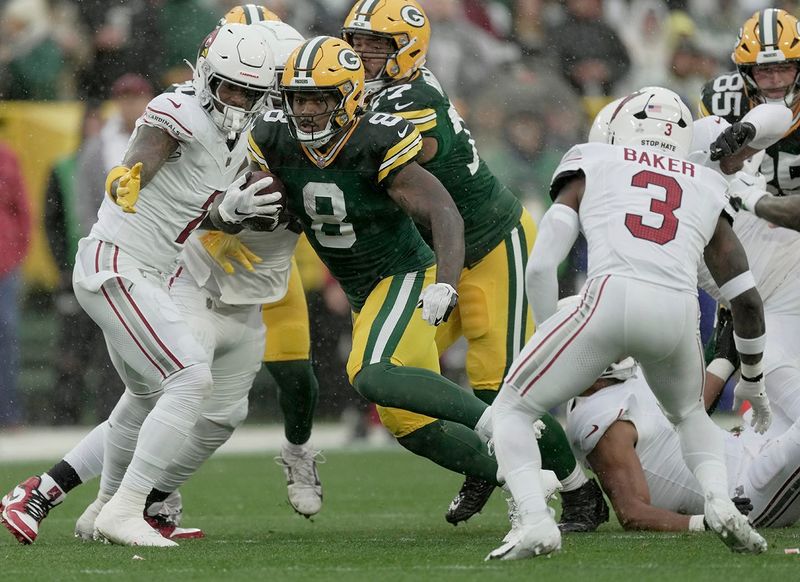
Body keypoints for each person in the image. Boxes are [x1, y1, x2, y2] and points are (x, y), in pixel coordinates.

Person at [0, 23, 278, 547]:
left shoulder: (236, 137)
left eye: (250, 91)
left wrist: (232, 209)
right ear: (204, 76)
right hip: (118, 266)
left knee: (145, 396)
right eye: (230, 87)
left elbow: (195, 209)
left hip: (153, 271)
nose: (238, 100)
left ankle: (98, 509)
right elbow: (148, 152)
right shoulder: (180, 109)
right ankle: (128, 508)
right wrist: (130, 174)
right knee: (191, 379)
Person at [341, 0, 607, 532]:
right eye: (357, 43)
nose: (362, 54)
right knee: (398, 386)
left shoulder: (408, 99)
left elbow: (386, 158)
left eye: (377, 45)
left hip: (488, 246)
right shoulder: (363, 95)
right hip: (428, 258)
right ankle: (483, 464)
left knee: (498, 389)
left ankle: (580, 490)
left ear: (406, 50)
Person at [484, 86, 771, 560]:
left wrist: (544, 334)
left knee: (512, 410)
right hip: (677, 312)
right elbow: (748, 301)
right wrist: (754, 380)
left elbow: (539, 268)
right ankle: (720, 504)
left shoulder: (593, 160)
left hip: (610, 297)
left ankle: (535, 521)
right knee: (689, 416)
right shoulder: (704, 183)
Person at [248, 36, 504, 505]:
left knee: (375, 371)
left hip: (414, 267)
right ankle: (517, 471)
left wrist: (446, 283)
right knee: (406, 422)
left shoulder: (377, 134)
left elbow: (444, 211)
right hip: (359, 285)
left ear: (347, 97)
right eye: (297, 98)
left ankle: (506, 433)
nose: (304, 111)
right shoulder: (270, 134)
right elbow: (276, 197)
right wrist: (240, 205)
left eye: (318, 99)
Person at [217, 7, 324, 518]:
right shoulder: (201, 109)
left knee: (297, 377)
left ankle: (299, 452)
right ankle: (160, 488)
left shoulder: (295, 116)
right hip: (207, 263)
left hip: (273, 264)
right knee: (184, 386)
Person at [566, 322, 800, 532]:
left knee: (767, 348)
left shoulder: (622, 379)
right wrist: (708, 520)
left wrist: (725, 359)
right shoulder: (603, 423)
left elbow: (689, 409)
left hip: (750, 442)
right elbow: (632, 512)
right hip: (745, 493)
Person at [699, 8, 800, 195]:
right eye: (765, 70)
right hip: (740, 214)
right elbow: (707, 179)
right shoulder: (721, 99)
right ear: (746, 72)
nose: (776, 79)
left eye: (785, 67)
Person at [0, 142, 32, 427]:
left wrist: (17, 250)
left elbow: (21, 209)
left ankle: (9, 413)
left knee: (7, 336)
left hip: (4, 265)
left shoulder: (7, 156)